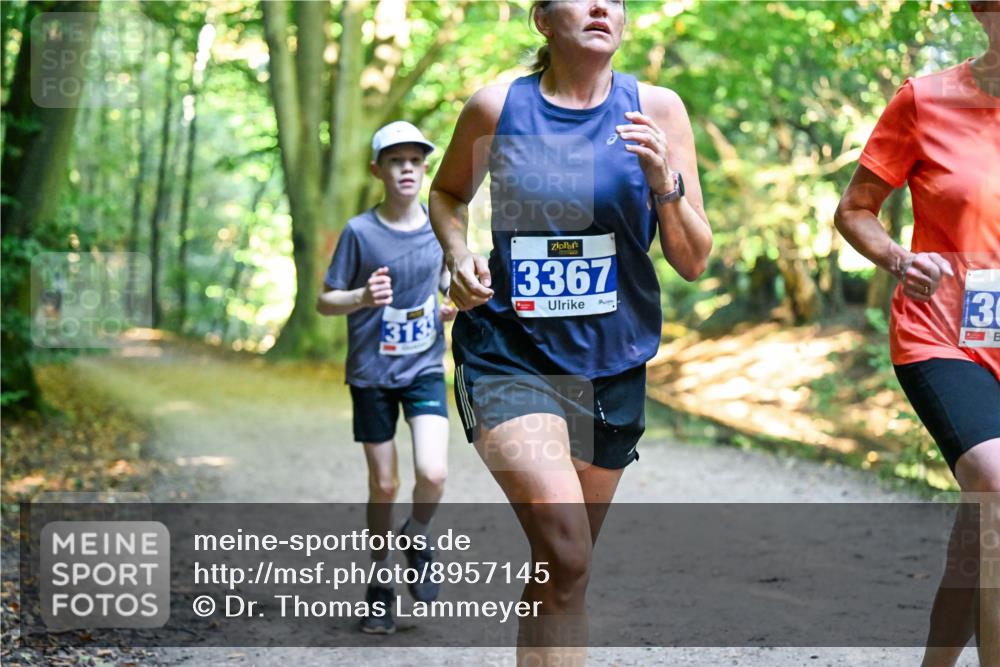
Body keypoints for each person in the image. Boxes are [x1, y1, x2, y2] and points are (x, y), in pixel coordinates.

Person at [429, 1, 711, 663]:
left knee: (564, 572)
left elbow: (695, 260)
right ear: (543, 21)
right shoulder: (498, 108)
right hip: (508, 351)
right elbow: (446, 196)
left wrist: (662, 182)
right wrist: (458, 254)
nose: (599, 7)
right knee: (566, 543)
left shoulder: (658, 110)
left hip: (613, 362)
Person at [834, 3, 1000, 665]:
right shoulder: (925, 101)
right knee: (994, 483)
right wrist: (900, 259)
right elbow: (854, 210)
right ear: (983, 12)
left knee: (983, 526)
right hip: (945, 331)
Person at [317, 121, 457, 635]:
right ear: (377, 170)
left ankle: (416, 535)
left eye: (415, 162)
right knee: (383, 483)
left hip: (422, 368)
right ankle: (380, 586)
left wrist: (451, 304)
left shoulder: (441, 227)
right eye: (395, 161)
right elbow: (325, 300)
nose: (406, 170)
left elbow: (448, 282)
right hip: (372, 374)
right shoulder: (360, 232)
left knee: (434, 473)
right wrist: (361, 298)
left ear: (424, 170)